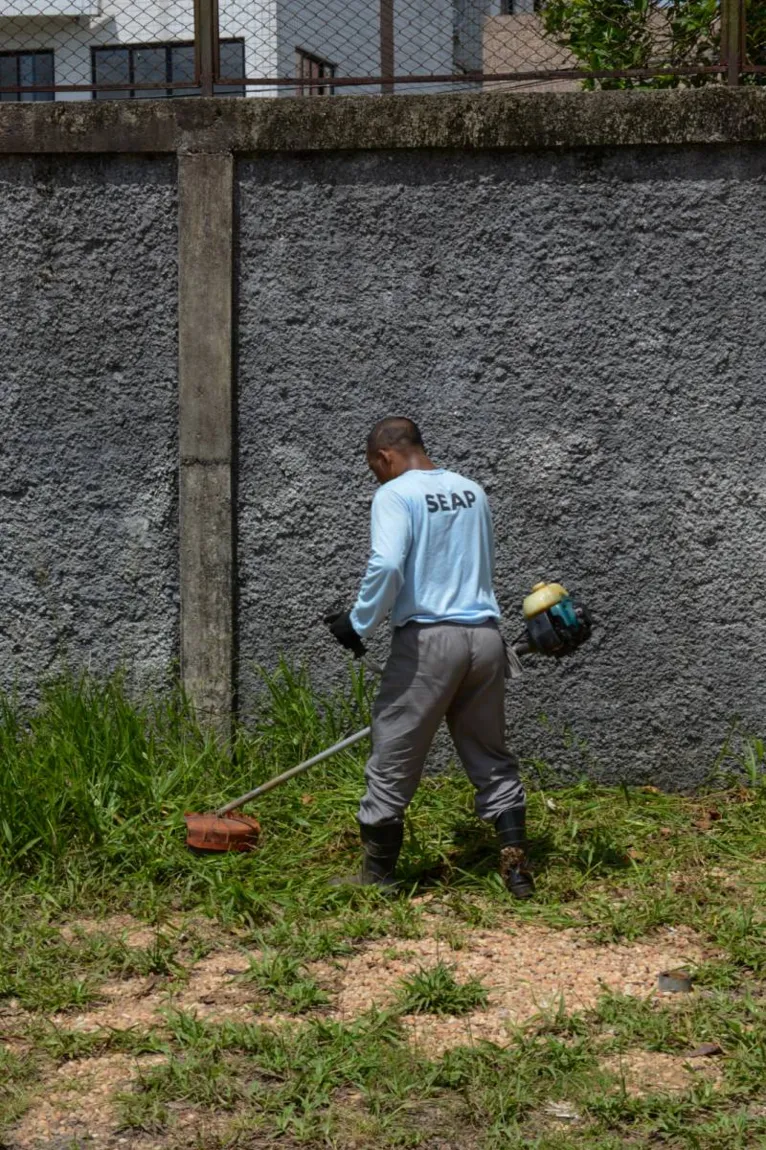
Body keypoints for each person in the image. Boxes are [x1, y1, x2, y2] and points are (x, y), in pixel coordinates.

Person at [324, 417, 534, 899]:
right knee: (490, 756)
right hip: (484, 638)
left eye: (372, 468)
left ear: (384, 456)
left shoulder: (395, 494)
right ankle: (517, 869)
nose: (375, 476)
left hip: (428, 643)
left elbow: (389, 563)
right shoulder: (471, 491)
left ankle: (378, 878)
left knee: (393, 755)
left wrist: (358, 622)